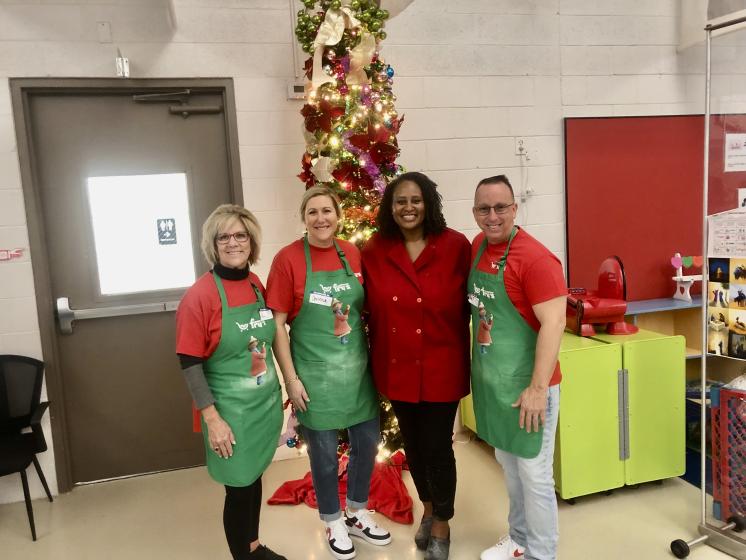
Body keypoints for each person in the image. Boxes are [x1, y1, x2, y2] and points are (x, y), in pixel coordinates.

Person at [266, 185, 391, 560]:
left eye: (327, 211)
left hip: (356, 370)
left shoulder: (350, 253)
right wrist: (291, 379)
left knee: (367, 443)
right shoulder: (288, 259)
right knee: (321, 453)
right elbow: (277, 325)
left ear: (339, 215)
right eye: (313, 212)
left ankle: (355, 511)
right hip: (314, 375)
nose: (321, 219)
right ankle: (332, 518)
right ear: (303, 219)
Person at [361, 172, 471, 560]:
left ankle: (442, 523)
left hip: (443, 364)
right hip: (398, 367)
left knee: (438, 446)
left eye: (416, 200)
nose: (408, 208)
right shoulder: (374, 250)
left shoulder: (457, 246)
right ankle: (428, 509)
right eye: (400, 202)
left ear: (429, 204)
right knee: (414, 447)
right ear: (390, 208)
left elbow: (473, 306)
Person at [175, 204, 286, 560]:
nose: (233, 243)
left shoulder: (256, 284)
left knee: (252, 481)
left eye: (241, 235)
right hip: (229, 413)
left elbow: (268, 338)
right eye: (224, 236)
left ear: (251, 242)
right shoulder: (200, 296)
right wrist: (213, 420)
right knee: (238, 490)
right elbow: (190, 363)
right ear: (213, 244)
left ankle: (253, 547)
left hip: (262, 407)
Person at [469, 176, 566, 560]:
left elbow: (554, 323)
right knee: (508, 468)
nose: (492, 217)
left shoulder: (536, 259)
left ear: (515, 208)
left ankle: (542, 554)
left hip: (530, 388)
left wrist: (538, 390)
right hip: (495, 387)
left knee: (535, 475)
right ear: (474, 211)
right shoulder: (478, 248)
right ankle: (519, 539)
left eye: (500, 207)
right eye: (483, 208)